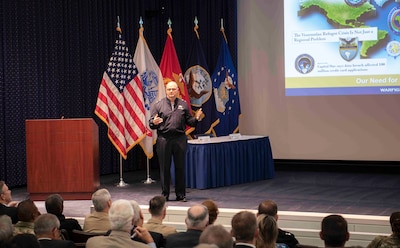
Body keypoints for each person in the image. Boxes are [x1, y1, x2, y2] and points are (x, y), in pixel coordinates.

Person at [149, 81, 203, 202]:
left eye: (173, 89)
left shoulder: (183, 104)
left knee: (180, 167)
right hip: (164, 140)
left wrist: (197, 117)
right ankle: (165, 195)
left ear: (178, 90)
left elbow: (190, 122)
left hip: (180, 140)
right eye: (169, 90)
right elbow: (151, 124)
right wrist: (154, 122)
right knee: (164, 168)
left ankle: (180, 194)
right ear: (166, 91)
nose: (171, 92)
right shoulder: (158, 105)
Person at [86, 199, 155, 248]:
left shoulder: (92, 243)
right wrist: (150, 242)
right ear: (132, 221)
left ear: (110, 219)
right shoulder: (142, 247)